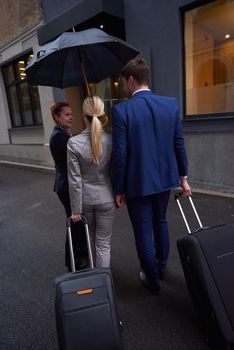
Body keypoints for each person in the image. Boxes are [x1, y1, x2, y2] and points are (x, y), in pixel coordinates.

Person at [111, 57, 191, 295]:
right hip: (165, 179)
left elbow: (120, 154)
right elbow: (179, 144)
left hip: (137, 183)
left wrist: (118, 189)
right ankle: (161, 267)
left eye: (125, 82)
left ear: (132, 80)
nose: (124, 87)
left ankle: (152, 279)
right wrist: (183, 177)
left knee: (143, 230)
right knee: (161, 222)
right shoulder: (170, 104)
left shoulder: (121, 110)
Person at [67, 96, 115, 268]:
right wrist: (119, 194)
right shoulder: (110, 140)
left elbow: (75, 179)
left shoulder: (73, 143)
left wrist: (75, 209)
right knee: (103, 244)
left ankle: (95, 278)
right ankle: (104, 279)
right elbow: (115, 171)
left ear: (83, 116)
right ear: (102, 115)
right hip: (107, 197)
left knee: (91, 240)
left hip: (86, 200)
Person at [49, 102, 88, 271]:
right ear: (57, 117)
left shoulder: (64, 133)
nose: (71, 117)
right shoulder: (59, 137)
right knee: (74, 222)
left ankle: (80, 254)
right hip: (66, 187)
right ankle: (72, 261)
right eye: (66, 114)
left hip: (67, 185)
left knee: (77, 222)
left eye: (71, 114)